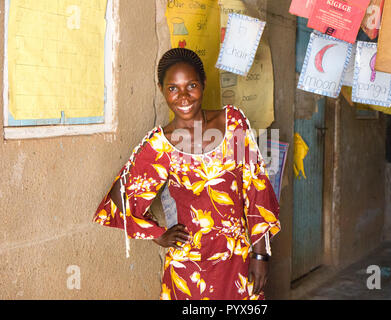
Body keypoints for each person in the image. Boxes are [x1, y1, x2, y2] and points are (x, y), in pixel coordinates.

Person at [93, 48, 280, 300]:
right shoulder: (159, 145)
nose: (183, 96)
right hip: (187, 269)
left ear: (203, 84)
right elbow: (119, 202)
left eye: (191, 85)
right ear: (162, 90)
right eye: (173, 88)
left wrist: (260, 255)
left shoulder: (232, 122)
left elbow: (256, 190)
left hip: (238, 261)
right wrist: (157, 235)